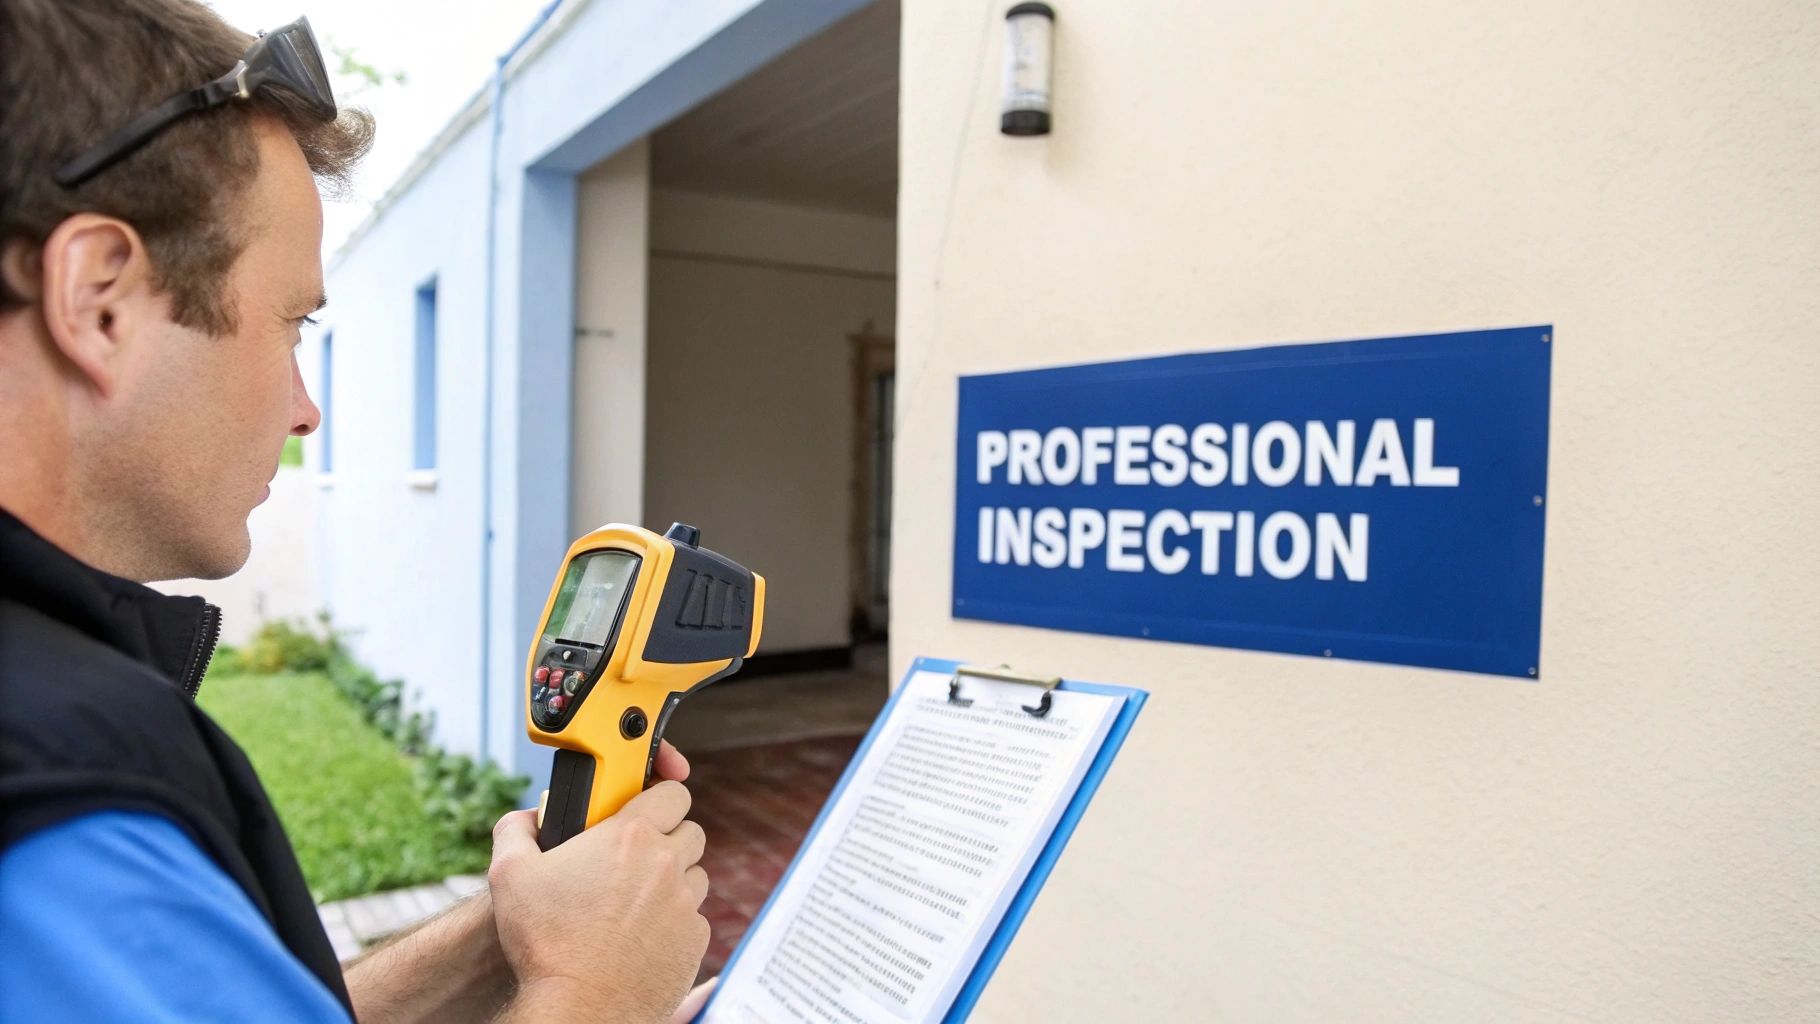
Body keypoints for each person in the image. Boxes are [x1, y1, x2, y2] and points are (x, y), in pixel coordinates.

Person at [0, 2, 715, 1020]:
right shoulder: (65, 805)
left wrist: (513, 933)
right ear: (98, 297)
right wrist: (594, 988)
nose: (305, 410)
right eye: (292, 323)